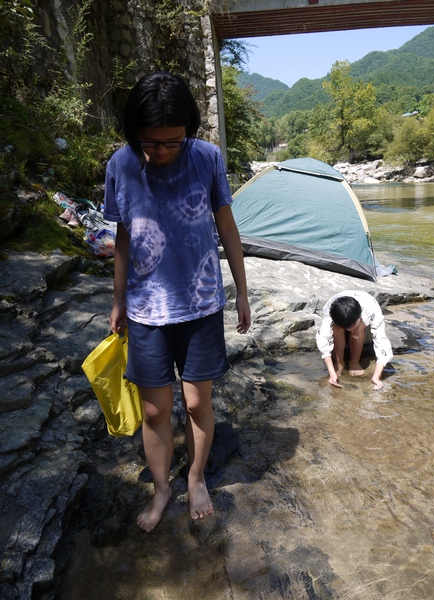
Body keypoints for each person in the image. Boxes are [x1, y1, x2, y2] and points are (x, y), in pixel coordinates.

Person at [104, 72, 251, 533]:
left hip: (202, 303)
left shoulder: (206, 157)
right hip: (146, 308)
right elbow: (123, 238)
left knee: (194, 402)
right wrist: (118, 299)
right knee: (153, 409)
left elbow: (226, 227)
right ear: (133, 133)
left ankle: (195, 477)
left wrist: (242, 289)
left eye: (173, 141)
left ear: (188, 129)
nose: (162, 151)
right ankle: (161, 487)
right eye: (151, 142)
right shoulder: (121, 166)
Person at [316, 290, 393, 390]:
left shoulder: (370, 308)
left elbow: (381, 340)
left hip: (364, 329)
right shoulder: (331, 309)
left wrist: (376, 377)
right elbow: (324, 338)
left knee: (359, 326)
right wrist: (331, 372)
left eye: (351, 327)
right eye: (347, 328)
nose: (349, 330)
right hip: (341, 323)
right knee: (337, 327)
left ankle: (354, 361)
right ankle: (339, 363)